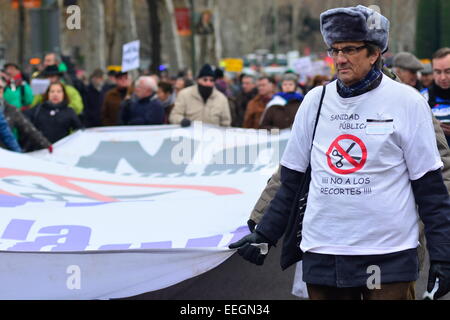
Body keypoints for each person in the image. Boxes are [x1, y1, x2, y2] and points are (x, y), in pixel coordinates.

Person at [230, 5, 450, 300]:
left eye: (349, 50)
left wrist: (443, 255)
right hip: (324, 250)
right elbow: (291, 178)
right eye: (334, 50)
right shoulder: (315, 101)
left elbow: (431, 189)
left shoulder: (407, 102)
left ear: (374, 54)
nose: (339, 59)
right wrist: (265, 234)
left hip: (387, 253)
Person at [0, 79, 51, 152]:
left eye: (0, 88)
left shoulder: (11, 109)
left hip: (6, 153)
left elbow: (28, 128)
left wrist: (46, 144)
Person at [421, 48, 450, 146]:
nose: (443, 77)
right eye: (438, 72)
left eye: (448, 71)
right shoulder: (421, 98)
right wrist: (431, 126)